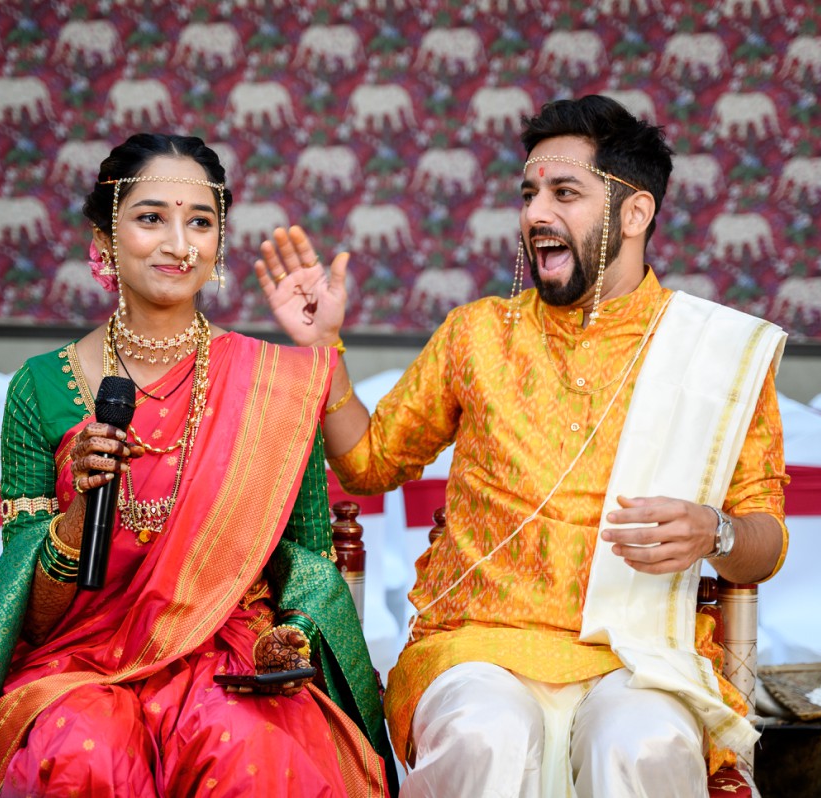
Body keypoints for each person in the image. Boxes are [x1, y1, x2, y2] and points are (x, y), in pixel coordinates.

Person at [255, 96, 788, 797]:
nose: (536, 213)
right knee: (487, 735)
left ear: (635, 213)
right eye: (530, 193)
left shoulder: (715, 355)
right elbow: (369, 462)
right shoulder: (478, 335)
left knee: (645, 742)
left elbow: (767, 539)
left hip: (637, 654)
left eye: (564, 192)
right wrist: (325, 349)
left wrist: (713, 531)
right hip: (478, 644)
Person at [0, 133, 394, 798]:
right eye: (151, 218)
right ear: (103, 240)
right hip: (80, 660)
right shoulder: (40, 389)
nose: (179, 243)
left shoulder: (271, 385)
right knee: (81, 755)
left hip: (231, 657)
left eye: (201, 222)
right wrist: (83, 507)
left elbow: (307, 569)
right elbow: (29, 616)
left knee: (250, 752)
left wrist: (289, 641)